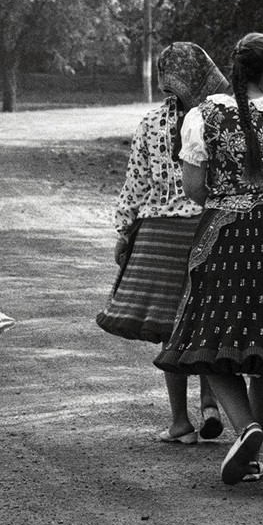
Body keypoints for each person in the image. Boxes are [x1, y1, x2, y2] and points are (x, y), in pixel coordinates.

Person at [154, 33, 263, 485]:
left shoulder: (201, 117)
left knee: (207, 338)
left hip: (226, 234)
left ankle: (244, 427)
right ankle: (252, 447)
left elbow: (194, 189)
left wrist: (233, 198)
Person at [98, 42, 224, 445]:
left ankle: (180, 423)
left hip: (158, 237)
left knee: (172, 327)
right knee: (207, 319)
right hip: (208, 227)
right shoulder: (219, 119)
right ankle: (211, 404)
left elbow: (135, 183)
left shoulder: (151, 122)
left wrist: (124, 232)